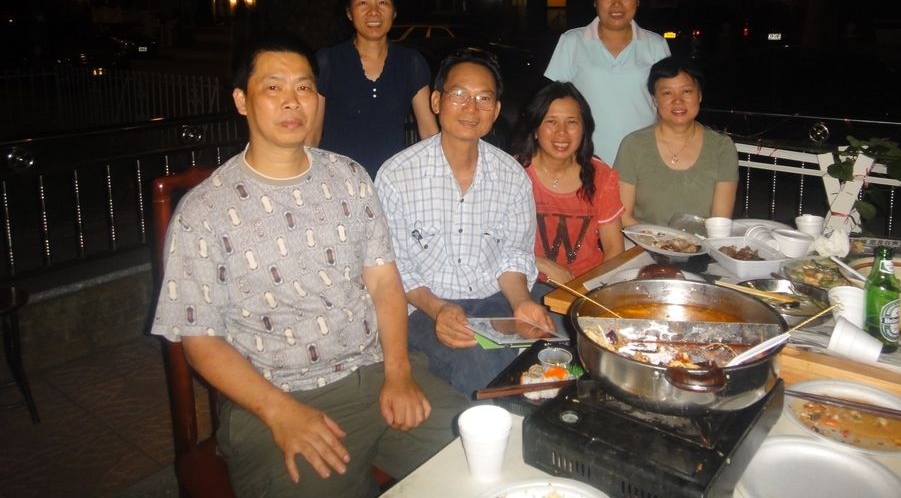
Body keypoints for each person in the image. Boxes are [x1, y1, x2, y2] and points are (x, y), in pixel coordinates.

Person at [150, 33, 466, 498]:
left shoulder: (350, 177)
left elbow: (384, 282)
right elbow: (199, 339)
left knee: (484, 451)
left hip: (377, 372)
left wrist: (399, 372)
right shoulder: (205, 211)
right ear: (241, 100)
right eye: (272, 87)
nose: (291, 100)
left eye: (303, 87)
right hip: (277, 399)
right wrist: (279, 412)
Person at [375, 48, 555, 398]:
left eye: (483, 98)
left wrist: (521, 302)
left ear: (496, 110)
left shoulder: (511, 176)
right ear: (437, 101)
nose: (471, 108)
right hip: (425, 307)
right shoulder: (396, 176)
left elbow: (514, 255)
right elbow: (395, 267)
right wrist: (438, 309)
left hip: (496, 298)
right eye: (459, 94)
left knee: (564, 332)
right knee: (483, 365)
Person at [311, 0, 438, 178]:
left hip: (390, 183)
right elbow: (311, 135)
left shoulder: (410, 62)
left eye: (382, 2)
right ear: (349, 12)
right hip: (337, 181)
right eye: (363, 3)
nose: (373, 11)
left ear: (394, 12)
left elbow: (429, 133)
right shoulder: (327, 61)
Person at [543, 0, 671, 164]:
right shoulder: (572, 41)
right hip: (585, 158)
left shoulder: (656, 45)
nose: (616, 4)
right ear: (595, 0)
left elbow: (668, 102)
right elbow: (552, 103)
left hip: (644, 158)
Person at [509, 81, 625, 299]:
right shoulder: (512, 172)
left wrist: (591, 291)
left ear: (584, 130)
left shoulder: (601, 175)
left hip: (586, 286)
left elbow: (614, 248)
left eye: (571, 122)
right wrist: (542, 264)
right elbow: (493, 243)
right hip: (524, 282)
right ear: (535, 129)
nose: (561, 132)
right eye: (551, 121)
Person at [615, 56, 739, 226]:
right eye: (667, 93)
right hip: (642, 240)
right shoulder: (634, 145)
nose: (678, 101)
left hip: (702, 242)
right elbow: (623, 216)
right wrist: (660, 240)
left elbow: (720, 221)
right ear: (654, 99)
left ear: (699, 95)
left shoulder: (721, 147)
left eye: (686, 91)